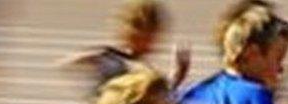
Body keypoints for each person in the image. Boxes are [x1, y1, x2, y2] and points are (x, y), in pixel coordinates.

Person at [55, 0, 189, 95]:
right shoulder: (116, 61)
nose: (152, 44)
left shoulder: (112, 58)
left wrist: (177, 76)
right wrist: (177, 76)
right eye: (148, 37)